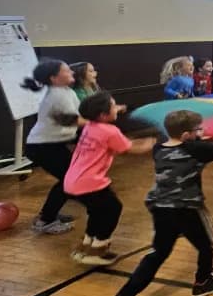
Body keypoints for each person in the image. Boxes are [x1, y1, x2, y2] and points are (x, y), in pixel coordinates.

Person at [109, 110, 213, 296]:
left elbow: (187, 154)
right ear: (188, 134)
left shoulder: (159, 148)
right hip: (186, 208)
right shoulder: (197, 148)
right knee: (206, 244)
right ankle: (203, 281)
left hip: (160, 207)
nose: (202, 131)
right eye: (199, 129)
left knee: (158, 253)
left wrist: (197, 140)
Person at [64, 91, 156, 265]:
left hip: (72, 181)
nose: (117, 108)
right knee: (113, 208)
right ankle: (98, 248)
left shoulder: (90, 126)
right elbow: (132, 149)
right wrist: (150, 142)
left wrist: (120, 109)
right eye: (114, 106)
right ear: (103, 115)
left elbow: (118, 142)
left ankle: (85, 246)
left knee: (97, 211)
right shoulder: (109, 131)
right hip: (89, 182)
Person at [23, 59, 83, 235]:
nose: (71, 72)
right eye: (66, 70)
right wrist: (101, 121)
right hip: (42, 147)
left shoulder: (66, 91)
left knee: (71, 178)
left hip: (52, 144)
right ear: (54, 78)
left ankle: (50, 214)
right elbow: (73, 120)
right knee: (69, 180)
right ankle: (45, 221)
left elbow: (80, 114)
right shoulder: (57, 95)